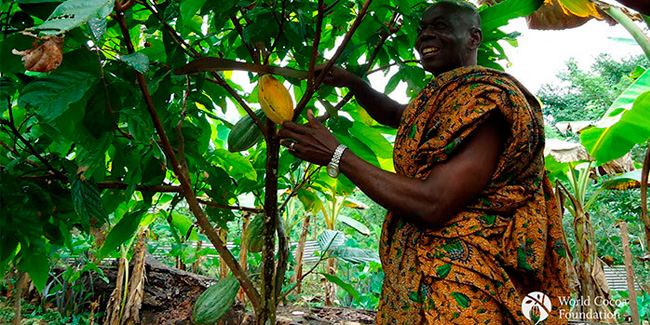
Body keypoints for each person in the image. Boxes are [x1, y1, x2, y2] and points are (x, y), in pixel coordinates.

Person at [279, 1, 569, 323]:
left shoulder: (488, 102)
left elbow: (435, 202)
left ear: (474, 38)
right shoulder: (440, 97)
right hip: (417, 274)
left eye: (440, 27)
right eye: (422, 30)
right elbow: (395, 114)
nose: (424, 37)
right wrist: (354, 83)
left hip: (465, 277)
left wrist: (336, 155)